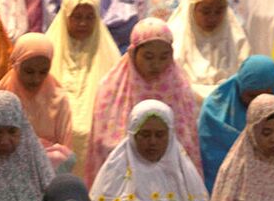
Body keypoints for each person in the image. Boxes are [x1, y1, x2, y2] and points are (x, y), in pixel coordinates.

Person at [83, 18, 202, 182]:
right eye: (148, 57)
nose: (156, 64)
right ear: (133, 53)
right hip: (122, 179)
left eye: (164, 57)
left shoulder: (180, 88)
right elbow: (102, 144)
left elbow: (188, 143)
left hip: (169, 178)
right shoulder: (110, 88)